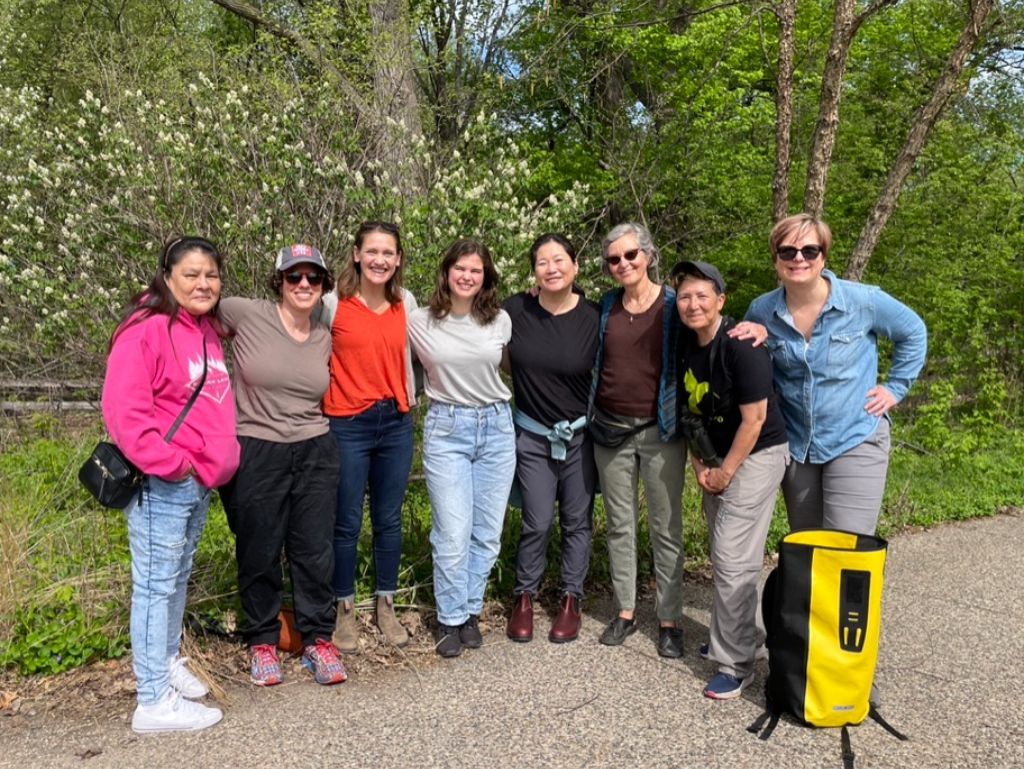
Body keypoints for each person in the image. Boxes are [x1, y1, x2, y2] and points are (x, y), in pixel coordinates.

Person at [102, 236, 239, 733]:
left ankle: (164, 662)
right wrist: (173, 463)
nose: (204, 284)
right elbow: (124, 412)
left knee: (174, 579)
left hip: (197, 482)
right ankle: (152, 700)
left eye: (212, 275)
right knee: (155, 585)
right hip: (165, 482)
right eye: (192, 274)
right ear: (167, 277)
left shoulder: (204, 328)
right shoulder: (147, 329)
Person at [736, 213, 927, 535]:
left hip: (855, 435)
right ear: (776, 259)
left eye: (809, 251)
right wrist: (756, 340)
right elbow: (749, 366)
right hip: (798, 444)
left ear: (823, 256)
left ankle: (856, 589)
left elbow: (914, 332)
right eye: (788, 251)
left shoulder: (862, 300)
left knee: (848, 546)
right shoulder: (762, 310)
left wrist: (895, 387)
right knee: (807, 546)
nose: (799, 258)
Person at [218, 244, 346, 687]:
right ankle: (263, 641)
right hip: (257, 447)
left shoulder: (325, 330)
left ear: (324, 286)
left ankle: (316, 639)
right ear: (279, 282)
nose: (304, 285)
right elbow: (188, 311)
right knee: (259, 548)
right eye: (294, 277)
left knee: (314, 550)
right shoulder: (246, 314)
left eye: (313, 278)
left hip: (315, 448)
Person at [671, 260, 789, 700]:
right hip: (714, 457)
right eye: (685, 296)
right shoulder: (685, 344)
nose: (693, 304)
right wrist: (701, 466)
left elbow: (755, 420)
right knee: (727, 555)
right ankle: (744, 637)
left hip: (756, 454)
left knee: (732, 556)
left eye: (703, 295)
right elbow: (688, 412)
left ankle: (735, 664)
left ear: (721, 300)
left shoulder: (742, 345)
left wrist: (726, 470)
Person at [407, 238, 516, 658]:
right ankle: (449, 618)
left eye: (476, 269)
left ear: (485, 276)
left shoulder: (500, 320)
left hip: (496, 427)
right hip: (447, 427)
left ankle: (470, 611)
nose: (467, 276)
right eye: (460, 268)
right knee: (452, 532)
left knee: (486, 532)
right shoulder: (419, 320)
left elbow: (516, 368)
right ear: (446, 272)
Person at [589, 222, 687, 658]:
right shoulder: (605, 307)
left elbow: (711, 330)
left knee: (666, 528)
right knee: (619, 525)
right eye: (614, 259)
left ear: (647, 255)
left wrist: (754, 332)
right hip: (610, 430)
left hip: (660, 430)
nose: (623, 264)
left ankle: (669, 620)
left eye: (631, 255)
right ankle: (625, 611)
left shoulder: (674, 304)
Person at [321, 222, 418, 651]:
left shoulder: (406, 303)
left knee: (388, 520)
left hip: (395, 422)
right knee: (345, 522)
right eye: (372, 251)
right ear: (357, 254)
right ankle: (344, 609)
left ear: (398, 260)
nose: (380, 260)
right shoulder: (331, 305)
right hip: (346, 424)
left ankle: (385, 604)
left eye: (389, 253)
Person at [503, 233, 599, 644]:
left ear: (576, 267)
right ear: (533, 273)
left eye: (560, 260)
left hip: (580, 436)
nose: (552, 268)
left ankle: (570, 599)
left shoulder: (596, 316)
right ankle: (524, 596)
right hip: (533, 435)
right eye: (542, 262)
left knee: (578, 521)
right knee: (537, 521)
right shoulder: (515, 310)